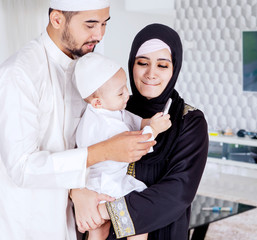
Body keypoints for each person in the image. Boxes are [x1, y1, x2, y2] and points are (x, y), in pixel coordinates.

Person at [0, 1, 156, 239]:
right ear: (57, 19)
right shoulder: (18, 74)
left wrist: (78, 189)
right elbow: (22, 167)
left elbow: (76, 141)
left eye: (104, 24)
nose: (99, 34)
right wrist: (105, 151)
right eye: (90, 25)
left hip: (70, 217)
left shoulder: (85, 71)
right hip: (23, 222)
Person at [72, 23, 209, 240]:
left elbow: (177, 192)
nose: (150, 73)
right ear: (131, 64)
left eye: (162, 66)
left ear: (175, 69)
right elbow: (74, 158)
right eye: (142, 63)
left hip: (160, 232)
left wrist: (106, 211)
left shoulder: (189, 120)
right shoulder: (110, 108)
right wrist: (76, 193)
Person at [74, 52, 172, 240]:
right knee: (139, 216)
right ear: (97, 101)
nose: (127, 94)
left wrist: (148, 122)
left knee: (99, 230)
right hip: (107, 182)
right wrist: (155, 130)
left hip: (96, 181)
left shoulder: (103, 110)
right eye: (120, 93)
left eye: (125, 87)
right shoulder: (106, 125)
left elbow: (132, 120)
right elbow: (135, 144)